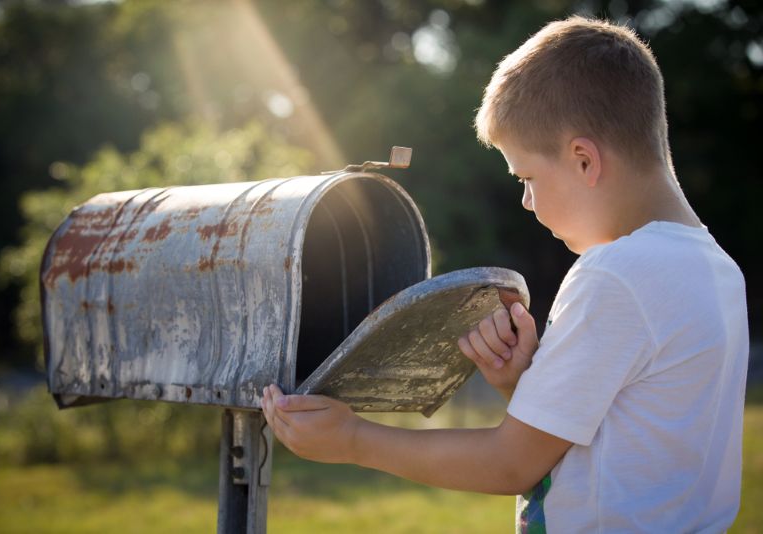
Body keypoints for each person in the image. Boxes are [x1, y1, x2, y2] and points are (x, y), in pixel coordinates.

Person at [262, 16, 749, 533]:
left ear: (584, 160)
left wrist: (354, 439)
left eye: (527, 177)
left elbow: (513, 462)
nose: (526, 200)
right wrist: (523, 385)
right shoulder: (716, 270)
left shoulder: (616, 274)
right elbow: (626, 446)